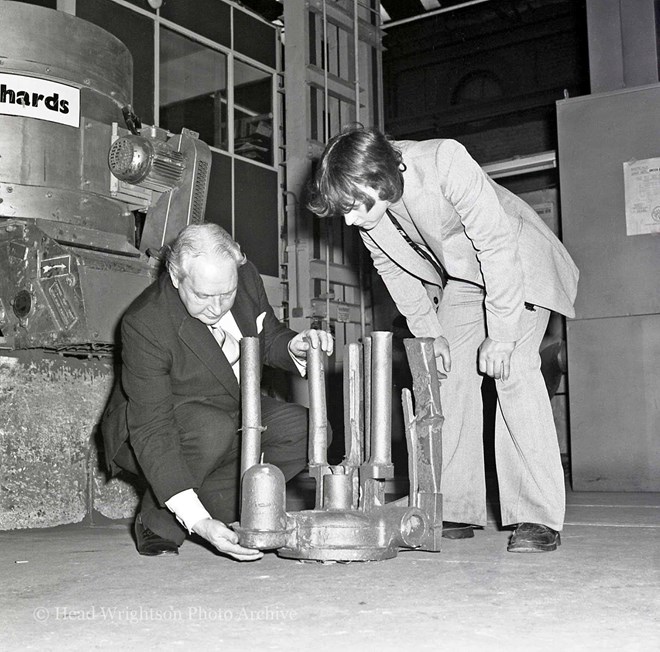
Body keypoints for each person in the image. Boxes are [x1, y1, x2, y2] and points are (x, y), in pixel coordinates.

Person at [307, 125, 578, 553]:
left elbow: (495, 244)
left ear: (378, 178)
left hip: (517, 261)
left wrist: (502, 336)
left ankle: (536, 516)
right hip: (467, 278)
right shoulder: (368, 216)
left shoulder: (444, 160)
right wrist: (432, 335)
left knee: (512, 370)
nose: (349, 219)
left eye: (353, 206)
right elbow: (395, 273)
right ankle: (453, 502)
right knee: (443, 374)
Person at [102, 223, 333, 560]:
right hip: (158, 422)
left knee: (310, 430)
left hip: (229, 407)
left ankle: (234, 509)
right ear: (176, 277)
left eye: (227, 293)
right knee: (213, 429)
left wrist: (294, 346)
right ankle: (161, 521)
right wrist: (199, 523)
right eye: (203, 296)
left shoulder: (244, 276)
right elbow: (152, 427)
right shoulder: (146, 322)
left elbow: (266, 334)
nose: (218, 307)